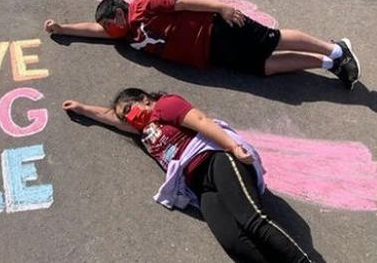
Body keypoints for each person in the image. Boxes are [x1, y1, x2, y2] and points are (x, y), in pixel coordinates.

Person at [63, 88, 313, 263]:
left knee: (253, 221)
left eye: (129, 108)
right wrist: (83, 109)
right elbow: (110, 117)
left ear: (145, 98)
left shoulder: (165, 106)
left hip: (216, 159)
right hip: (200, 186)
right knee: (233, 242)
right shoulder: (142, 130)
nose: (128, 116)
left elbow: (202, 121)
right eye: (124, 116)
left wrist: (232, 147)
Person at [44, 0, 361, 89]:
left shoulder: (143, 5)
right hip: (210, 55)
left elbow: (183, 1)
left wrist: (222, 7)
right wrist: (62, 28)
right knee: (265, 67)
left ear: (117, 15)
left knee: (273, 40)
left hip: (216, 29)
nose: (106, 32)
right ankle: (328, 63)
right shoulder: (125, 34)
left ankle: (335, 48)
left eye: (107, 25)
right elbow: (91, 29)